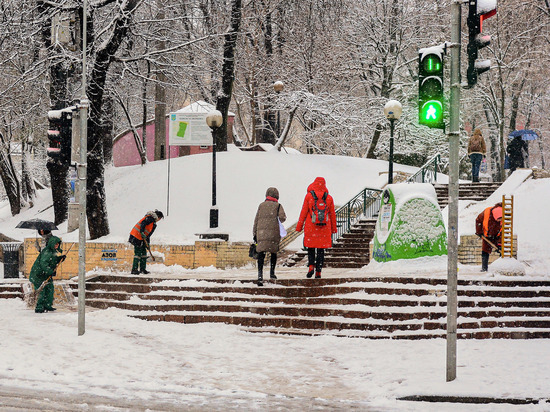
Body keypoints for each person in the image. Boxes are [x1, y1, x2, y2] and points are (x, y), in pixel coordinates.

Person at [295, 177, 337, 279]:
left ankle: (311, 267)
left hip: (311, 227)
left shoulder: (309, 196)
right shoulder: (329, 198)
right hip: (324, 228)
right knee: (321, 251)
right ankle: (318, 271)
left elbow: (304, 212)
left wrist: (299, 226)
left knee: (311, 248)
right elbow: (332, 215)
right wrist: (333, 229)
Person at [252, 187, 287, 286]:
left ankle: (260, 276)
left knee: (261, 254)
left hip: (261, 233)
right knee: (273, 252)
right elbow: (282, 218)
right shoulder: (278, 206)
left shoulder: (261, 205)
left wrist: (255, 233)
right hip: (273, 233)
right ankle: (272, 273)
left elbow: (256, 220)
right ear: (277, 196)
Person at [29, 235, 65, 313]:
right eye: (55, 244)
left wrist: (60, 259)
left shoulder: (52, 252)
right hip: (38, 275)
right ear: (51, 243)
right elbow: (44, 264)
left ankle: (47, 305)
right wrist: (50, 272)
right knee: (41, 291)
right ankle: (39, 307)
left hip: (45, 274)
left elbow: (52, 260)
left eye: (58, 244)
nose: (57, 245)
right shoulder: (47, 252)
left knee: (50, 289)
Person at [129, 210, 164, 274]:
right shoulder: (150, 218)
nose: (159, 220)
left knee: (144, 253)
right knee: (138, 253)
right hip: (136, 236)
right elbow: (143, 223)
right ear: (158, 217)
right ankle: (134, 269)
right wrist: (142, 232)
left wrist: (148, 244)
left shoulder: (154, 225)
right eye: (160, 218)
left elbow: (148, 235)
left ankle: (142, 269)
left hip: (141, 238)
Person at [475, 203, 502, 272]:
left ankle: (503, 267)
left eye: (501, 219)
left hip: (498, 236)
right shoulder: (486, 213)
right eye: (498, 219)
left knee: (502, 251)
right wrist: (479, 232)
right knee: (485, 251)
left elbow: (504, 232)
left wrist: (500, 244)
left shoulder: (505, 218)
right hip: (487, 236)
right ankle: (484, 268)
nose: (499, 220)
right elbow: (478, 220)